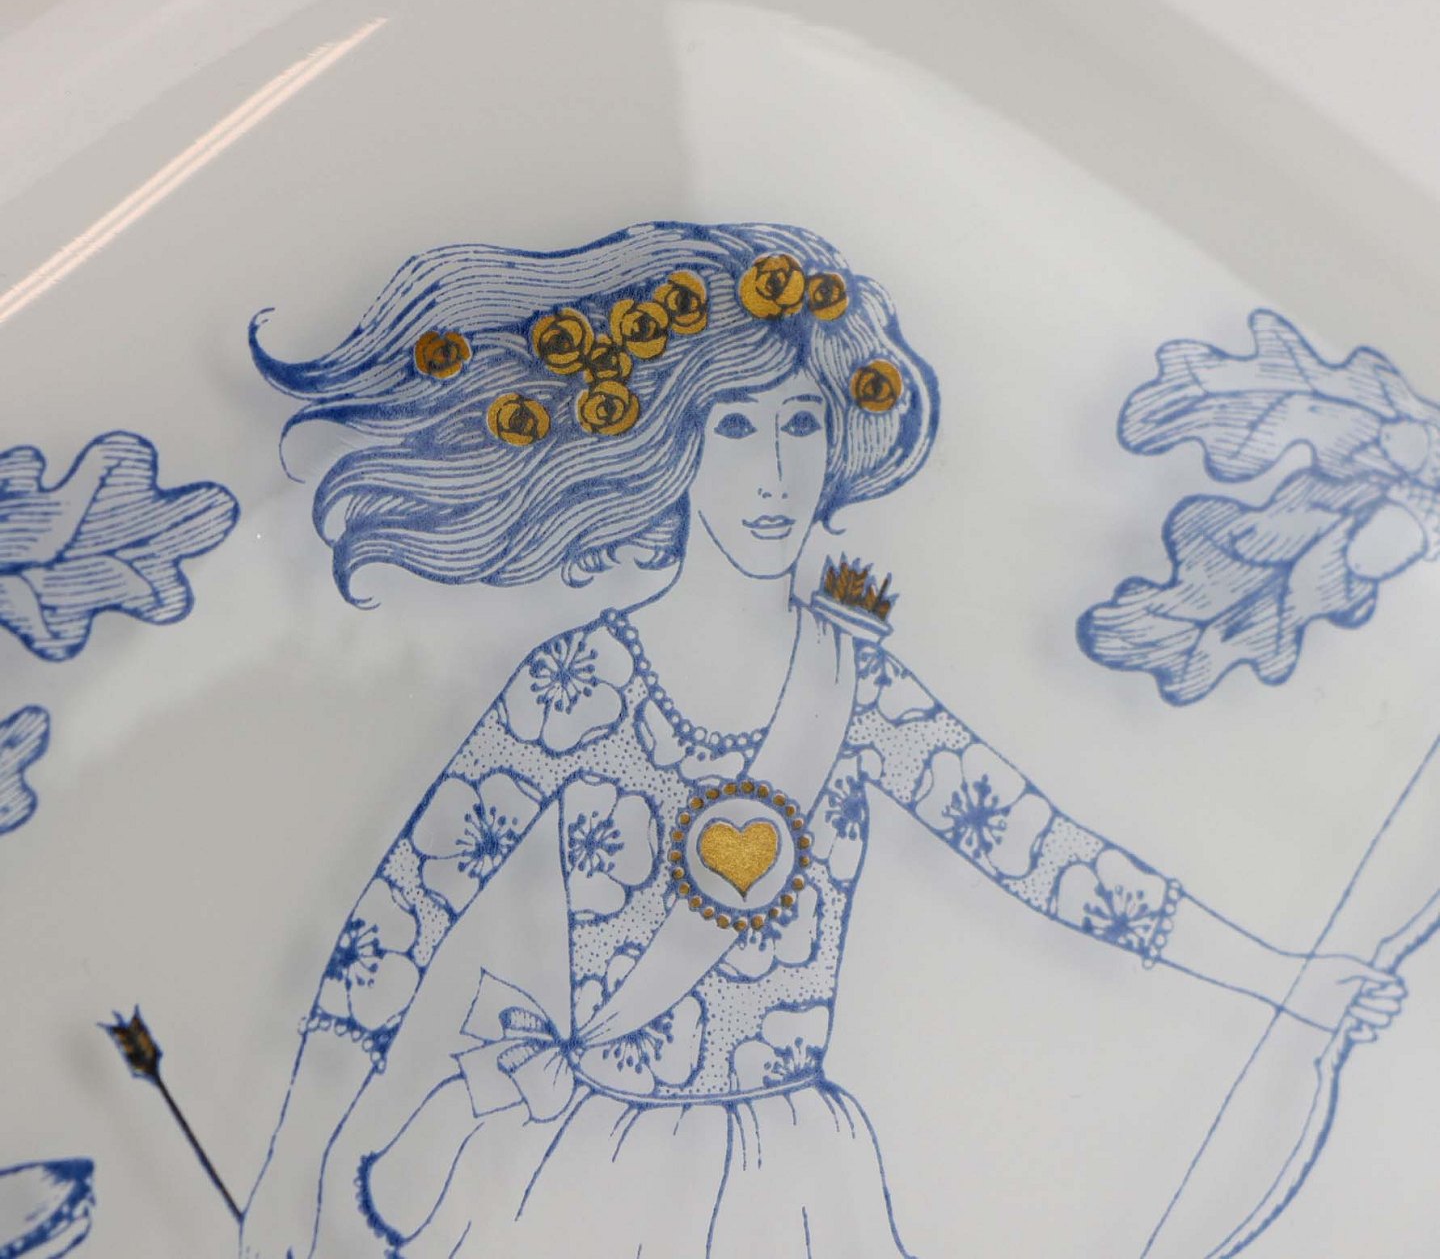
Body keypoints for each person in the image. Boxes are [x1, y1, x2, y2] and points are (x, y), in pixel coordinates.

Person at [240, 222, 1404, 1259]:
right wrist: (291, 1171)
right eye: (736, 425)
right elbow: (409, 907)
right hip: (584, 1164)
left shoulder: (860, 688)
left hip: (790, 1181)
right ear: (672, 443)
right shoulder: (579, 683)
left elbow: (1045, 854)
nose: (777, 470)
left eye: (803, 422)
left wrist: (1287, 982)